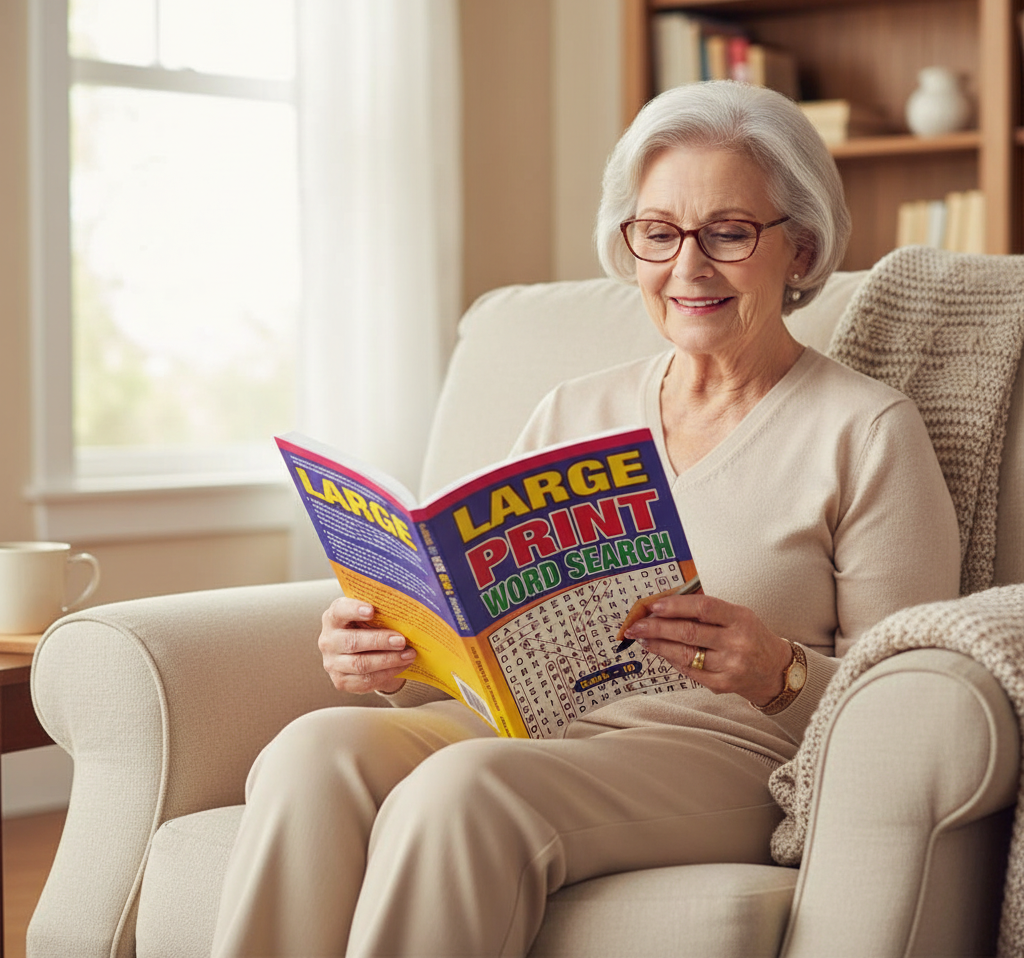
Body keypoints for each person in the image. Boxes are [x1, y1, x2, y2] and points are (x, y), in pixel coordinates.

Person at [211, 81, 961, 958]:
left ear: (799, 248)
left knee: (465, 789)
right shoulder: (577, 408)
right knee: (315, 753)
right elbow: (487, 623)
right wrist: (393, 645)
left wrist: (776, 670)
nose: (688, 267)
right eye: (659, 232)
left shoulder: (865, 430)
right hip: (536, 732)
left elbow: (914, 714)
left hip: (731, 752)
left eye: (727, 232)